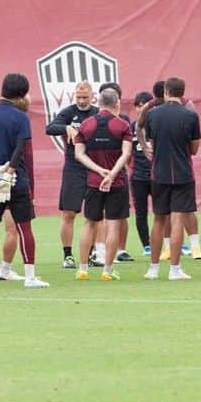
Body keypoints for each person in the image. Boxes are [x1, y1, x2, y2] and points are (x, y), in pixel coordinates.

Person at [0, 73, 48, 289]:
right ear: (22, 93)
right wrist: (9, 171)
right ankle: (30, 276)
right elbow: (20, 148)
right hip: (16, 181)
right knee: (24, 228)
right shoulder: (21, 116)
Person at [72, 88, 134, 281]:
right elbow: (126, 154)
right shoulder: (122, 125)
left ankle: (82, 269)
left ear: (98, 103)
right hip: (117, 182)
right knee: (113, 224)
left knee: (89, 222)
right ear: (117, 103)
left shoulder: (86, 125)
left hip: (93, 182)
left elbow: (78, 154)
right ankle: (107, 270)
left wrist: (98, 171)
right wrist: (112, 174)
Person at [143, 77, 200, 281]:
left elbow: (150, 140)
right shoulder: (191, 116)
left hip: (159, 173)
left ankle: (153, 268)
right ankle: (175, 270)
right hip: (183, 173)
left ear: (166, 91)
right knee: (177, 220)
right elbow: (194, 148)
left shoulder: (152, 114)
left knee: (159, 220)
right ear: (182, 93)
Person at [46, 82, 98, 269]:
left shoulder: (97, 113)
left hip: (93, 167)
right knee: (69, 213)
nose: (82, 101)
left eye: (85, 97)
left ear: (92, 96)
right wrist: (66, 128)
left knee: (94, 215)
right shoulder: (68, 112)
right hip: (74, 169)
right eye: (79, 97)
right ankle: (67, 255)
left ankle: (92, 254)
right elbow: (50, 127)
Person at [129, 91, 155, 256]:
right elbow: (125, 152)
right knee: (141, 212)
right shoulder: (131, 127)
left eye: (143, 105)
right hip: (138, 176)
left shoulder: (157, 123)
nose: (140, 109)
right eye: (137, 106)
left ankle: (170, 243)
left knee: (163, 211)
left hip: (157, 175)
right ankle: (146, 245)